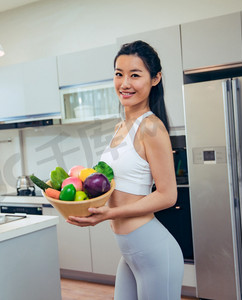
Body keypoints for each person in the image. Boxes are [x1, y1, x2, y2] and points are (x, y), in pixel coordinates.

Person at [67, 40, 184, 300]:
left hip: (152, 250)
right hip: (131, 252)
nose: (125, 83)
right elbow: (117, 186)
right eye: (119, 74)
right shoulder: (122, 127)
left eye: (135, 75)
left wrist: (109, 214)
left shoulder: (152, 127)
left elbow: (167, 195)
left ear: (155, 79)